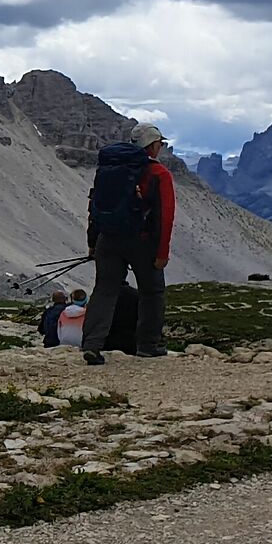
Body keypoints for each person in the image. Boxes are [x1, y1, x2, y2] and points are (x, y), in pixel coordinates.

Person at [80, 121, 176, 365]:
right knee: (152, 292)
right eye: (159, 144)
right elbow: (165, 216)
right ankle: (148, 345)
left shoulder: (111, 167)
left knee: (104, 290)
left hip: (108, 238)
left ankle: (92, 344)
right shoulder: (158, 173)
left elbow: (96, 206)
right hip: (141, 241)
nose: (160, 148)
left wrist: (93, 242)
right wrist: (162, 251)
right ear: (153, 145)